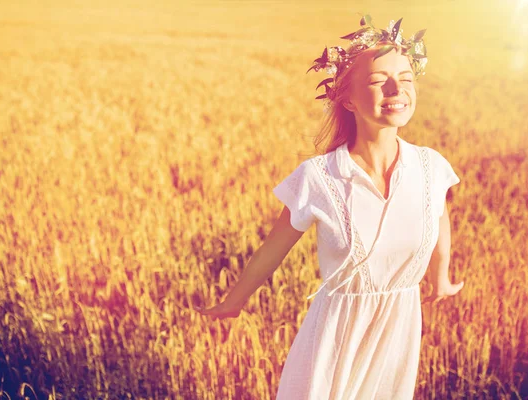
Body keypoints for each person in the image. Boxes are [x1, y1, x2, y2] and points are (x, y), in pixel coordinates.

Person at [196, 15, 464, 399]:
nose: (397, 88)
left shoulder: (430, 167)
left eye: (406, 77)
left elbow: (438, 215)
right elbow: (274, 248)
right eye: (378, 81)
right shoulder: (319, 178)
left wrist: (441, 275)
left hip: (398, 331)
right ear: (348, 99)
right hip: (335, 335)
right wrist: (233, 302)